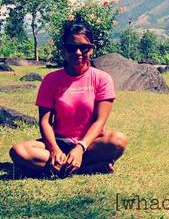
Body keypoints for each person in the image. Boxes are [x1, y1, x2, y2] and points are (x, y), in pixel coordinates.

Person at [10, 22, 128, 177]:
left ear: (91, 49)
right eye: (71, 48)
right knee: (19, 151)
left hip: (89, 143)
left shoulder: (102, 79)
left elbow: (99, 122)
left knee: (118, 140)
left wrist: (80, 147)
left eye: (84, 48)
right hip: (58, 141)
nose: (78, 52)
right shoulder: (51, 80)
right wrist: (54, 149)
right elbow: (45, 121)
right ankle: (87, 168)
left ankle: (63, 166)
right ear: (64, 49)